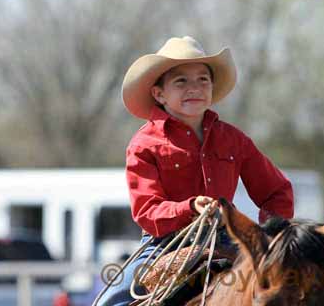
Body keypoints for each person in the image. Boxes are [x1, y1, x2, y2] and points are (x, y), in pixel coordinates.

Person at [95, 36, 294, 306]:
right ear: (159, 94)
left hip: (226, 236)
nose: (195, 88)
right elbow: (146, 210)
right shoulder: (144, 144)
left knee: (299, 286)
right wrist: (188, 208)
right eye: (181, 81)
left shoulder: (234, 140)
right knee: (113, 301)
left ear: (212, 87)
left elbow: (276, 191)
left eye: (203, 79)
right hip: (164, 244)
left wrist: (269, 235)